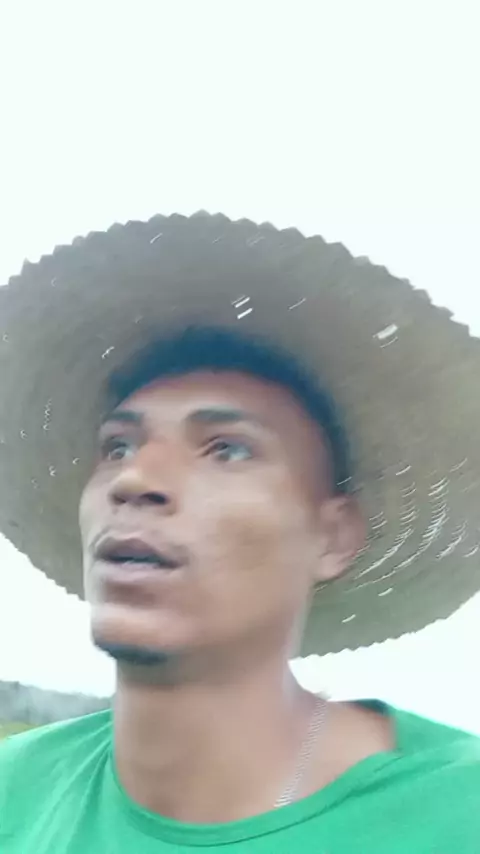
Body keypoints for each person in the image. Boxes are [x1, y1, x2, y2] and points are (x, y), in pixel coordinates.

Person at [0, 213, 479, 853]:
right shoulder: (15, 795)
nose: (134, 479)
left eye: (226, 449)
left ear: (334, 536)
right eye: (118, 446)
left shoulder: (455, 814)